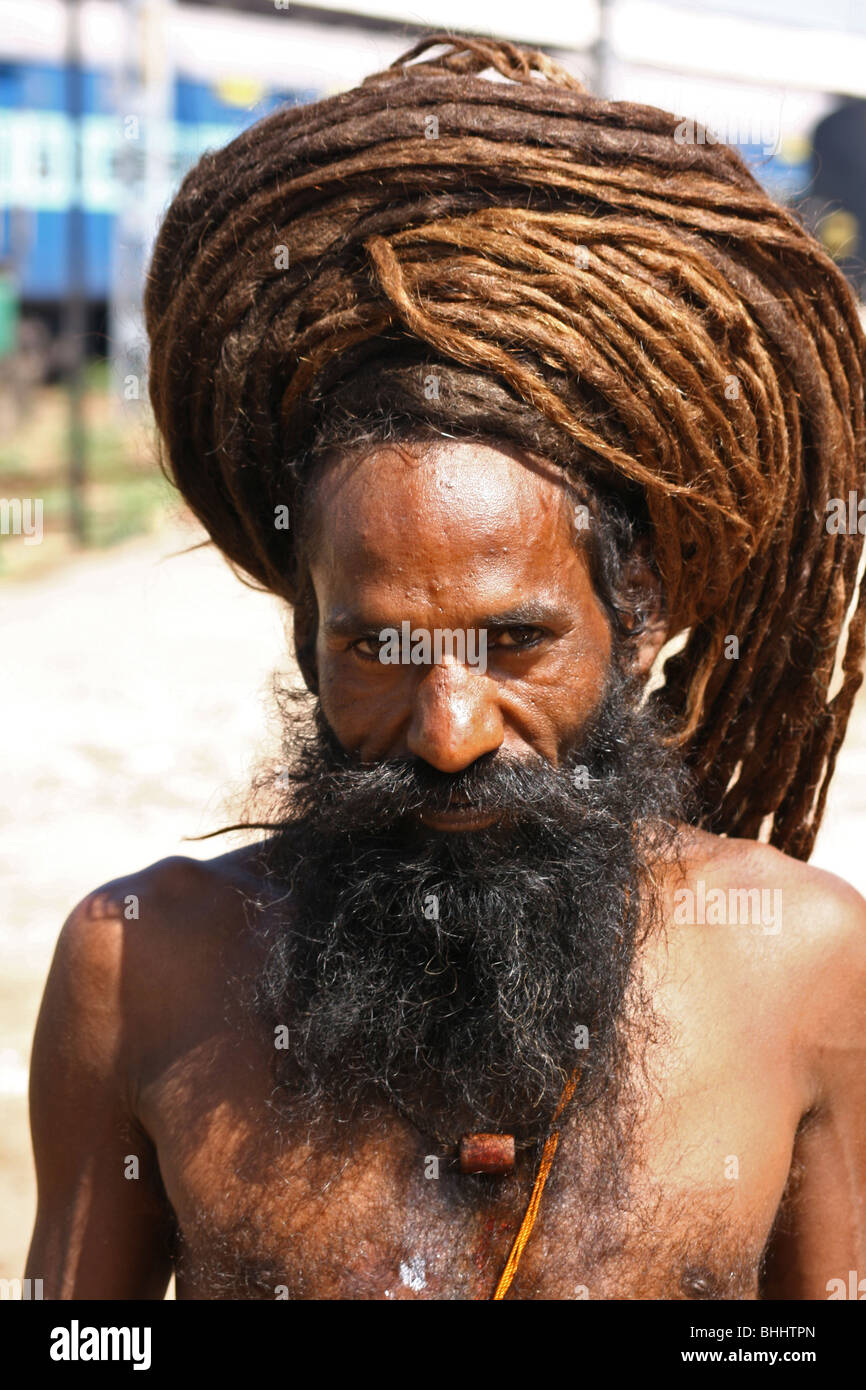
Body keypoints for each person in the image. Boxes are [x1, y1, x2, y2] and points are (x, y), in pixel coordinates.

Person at [26, 33, 866, 1300]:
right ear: (302, 632)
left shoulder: (798, 966)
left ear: (635, 618)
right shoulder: (140, 968)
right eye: (375, 649)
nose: (449, 726)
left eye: (514, 642)